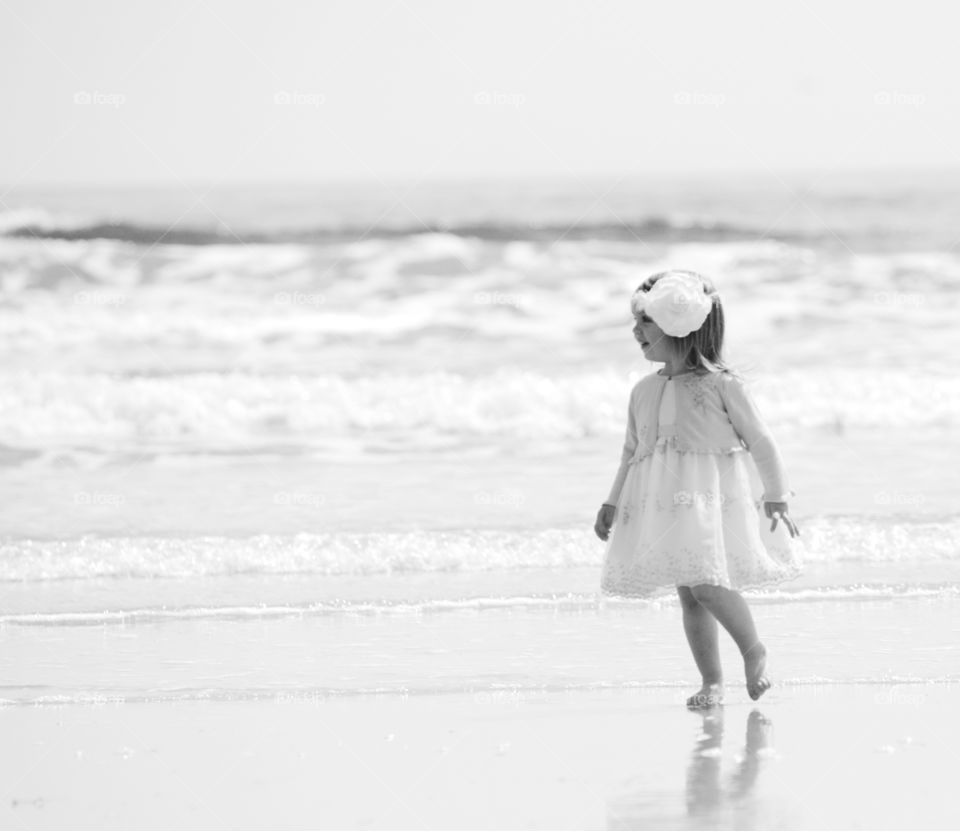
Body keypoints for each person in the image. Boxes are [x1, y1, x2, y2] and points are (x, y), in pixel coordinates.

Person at [593, 270, 802, 708]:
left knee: (707, 585)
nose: (635, 331)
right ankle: (711, 681)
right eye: (636, 322)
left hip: (710, 501)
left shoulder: (722, 385)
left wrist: (777, 492)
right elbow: (631, 453)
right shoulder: (643, 391)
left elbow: (761, 440)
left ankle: (753, 649)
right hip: (666, 506)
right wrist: (612, 502)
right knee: (689, 596)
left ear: (681, 328)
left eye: (646, 322)